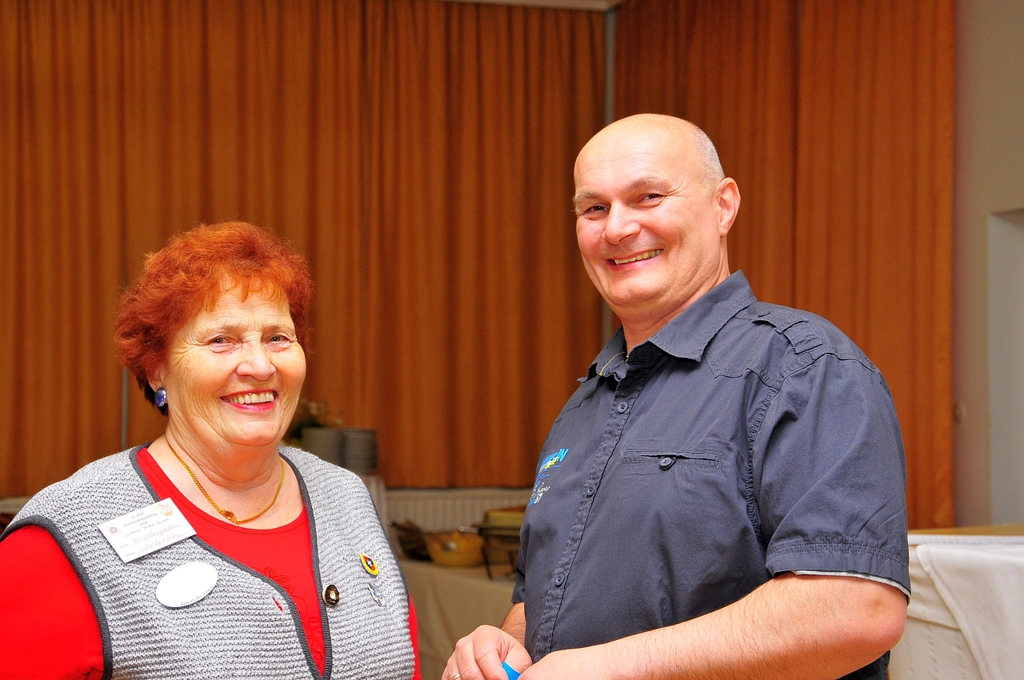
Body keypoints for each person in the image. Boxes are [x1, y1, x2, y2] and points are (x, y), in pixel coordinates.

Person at [444, 115, 909, 680]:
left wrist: (608, 669)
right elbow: (541, 600)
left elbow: (854, 610)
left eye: (649, 197)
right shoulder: (584, 405)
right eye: (594, 208)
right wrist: (504, 643)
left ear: (724, 206)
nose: (618, 228)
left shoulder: (804, 368)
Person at [0, 221, 421, 679]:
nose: (260, 365)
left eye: (278, 338)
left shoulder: (345, 495)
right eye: (221, 340)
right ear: (157, 369)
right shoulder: (67, 535)